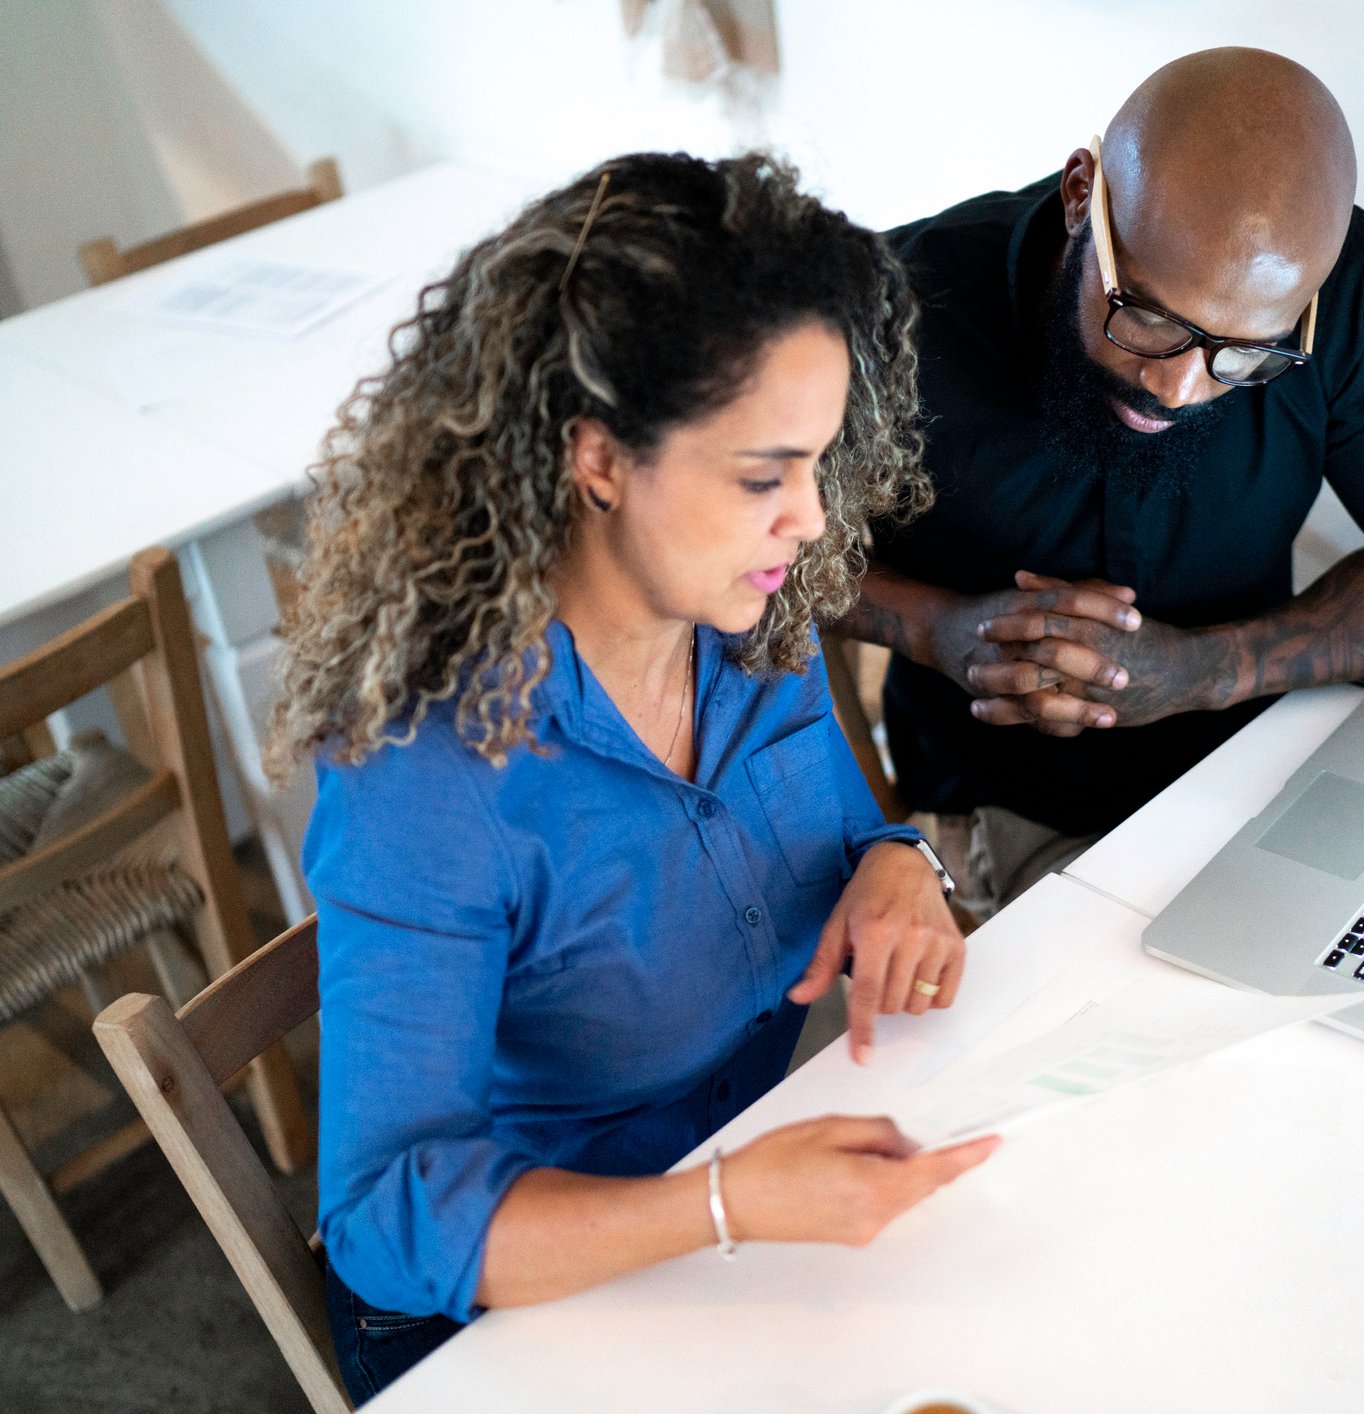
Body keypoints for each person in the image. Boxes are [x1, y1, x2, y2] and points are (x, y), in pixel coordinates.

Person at [265, 152, 998, 1402]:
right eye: (765, 477)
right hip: (532, 1292)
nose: (813, 521)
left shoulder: (746, 617)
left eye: (817, 464)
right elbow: (390, 1220)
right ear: (596, 457)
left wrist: (896, 859)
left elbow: (839, 823)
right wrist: (717, 1204)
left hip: (748, 1173)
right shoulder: (428, 777)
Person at [837, 48, 1364, 907]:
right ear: (1081, 192)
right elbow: (758, 560)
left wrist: (1209, 669)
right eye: (1150, 317)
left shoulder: (1341, 299)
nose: (1178, 388)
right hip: (983, 813)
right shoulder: (888, 312)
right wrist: (933, 627)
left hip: (1254, 783)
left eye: (1244, 353)